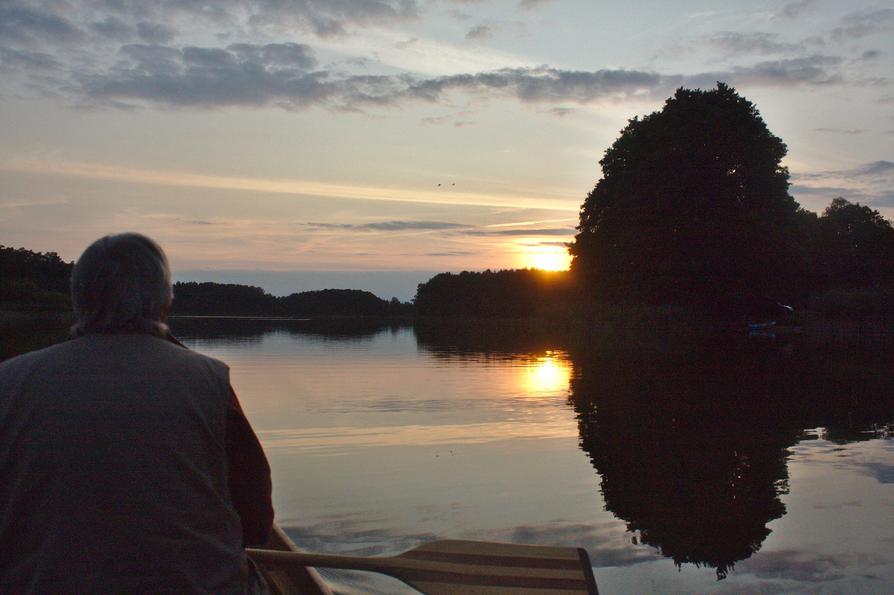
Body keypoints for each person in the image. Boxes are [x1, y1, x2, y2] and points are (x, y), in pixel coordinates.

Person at [0, 233, 273, 592]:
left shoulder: (8, 380)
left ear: (78, 298)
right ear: (165, 300)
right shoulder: (209, 382)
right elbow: (255, 523)